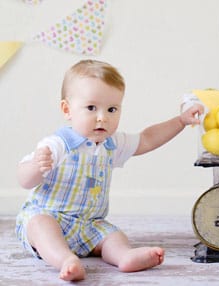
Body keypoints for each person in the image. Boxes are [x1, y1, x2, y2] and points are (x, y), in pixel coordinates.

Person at [16, 59, 203, 281]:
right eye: (91, 108)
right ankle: (65, 259)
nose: (102, 117)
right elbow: (24, 179)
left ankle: (124, 256)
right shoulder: (57, 144)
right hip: (51, 217)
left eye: (112, 109)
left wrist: (181, 121)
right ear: (67, 109)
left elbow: (147, 138)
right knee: (40, 225)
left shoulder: (111, 143)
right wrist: (37, 167)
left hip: (89, 224)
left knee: (112, 235)